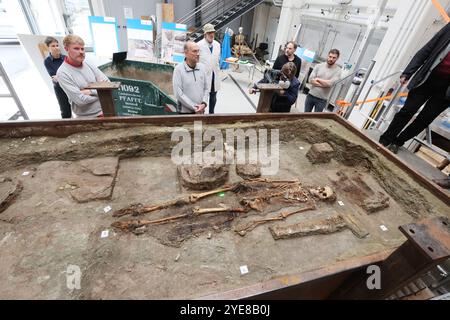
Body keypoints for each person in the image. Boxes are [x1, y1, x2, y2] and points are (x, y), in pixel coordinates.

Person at [379, 22, 450, 154]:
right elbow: (427, 49)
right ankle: (385, 139)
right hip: (427, 78)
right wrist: (408, 72)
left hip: (446, 90)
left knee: (425, 119)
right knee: (407, 111)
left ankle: (398, 142)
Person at [57, 35, 109, 118]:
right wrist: (101, 91)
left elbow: (108, 84)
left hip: (106, 110)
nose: (81, 52)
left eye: (82, 49)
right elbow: (80, 100)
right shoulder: (63, 73)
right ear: (66, 49)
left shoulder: (88, 63)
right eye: (76, 48)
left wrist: (89, 92)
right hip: (87, 117)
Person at [173, 41, 209, 114]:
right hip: (184, 113)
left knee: (198, 126)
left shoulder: (202, 68)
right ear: (186, 53)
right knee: (187, 126)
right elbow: (178, 93)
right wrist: (194, 106)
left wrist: (203, 103)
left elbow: (206, 88)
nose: (198, 54)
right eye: (194, 51)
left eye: (198, 51)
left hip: (200, 111)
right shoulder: (178, 69)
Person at [43, 37, 71, 119]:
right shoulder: (47, 61)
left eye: (57, 45)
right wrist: (63, 76)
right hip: (59, 87)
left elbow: (71, 73)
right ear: (48, 48)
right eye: (53, 46)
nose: (56, 47)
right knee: (64, 110)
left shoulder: (66, 58)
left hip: (69, 84)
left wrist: (61, 76)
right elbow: (54, 77)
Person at [198, 23, 221, 114]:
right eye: (209, 33)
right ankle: (200, 115)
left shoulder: (217, 45)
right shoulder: (199, 45)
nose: (211, 35)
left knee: (213, 96)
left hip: (214, 75)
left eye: (213, 33)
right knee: (201, 98)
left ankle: (211, 115)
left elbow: (217, 59)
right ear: (205, 34)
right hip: (203, 76)